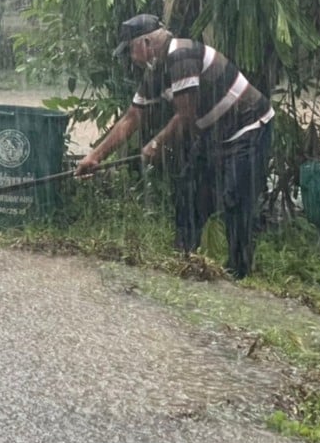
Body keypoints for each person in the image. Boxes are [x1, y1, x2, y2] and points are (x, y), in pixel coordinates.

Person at [74, 14, 275, 279]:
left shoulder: (181, 55)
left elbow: (185, 115)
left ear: (146, 43)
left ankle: (239, 273)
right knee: (189, 193)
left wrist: (156, 144)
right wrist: (95, 157)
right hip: (213, 135)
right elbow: (132, 117)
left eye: (131, 51)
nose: (131, 59)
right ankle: (184, 259)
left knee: (236, 200)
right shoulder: (156, 71)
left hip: (249, 129)